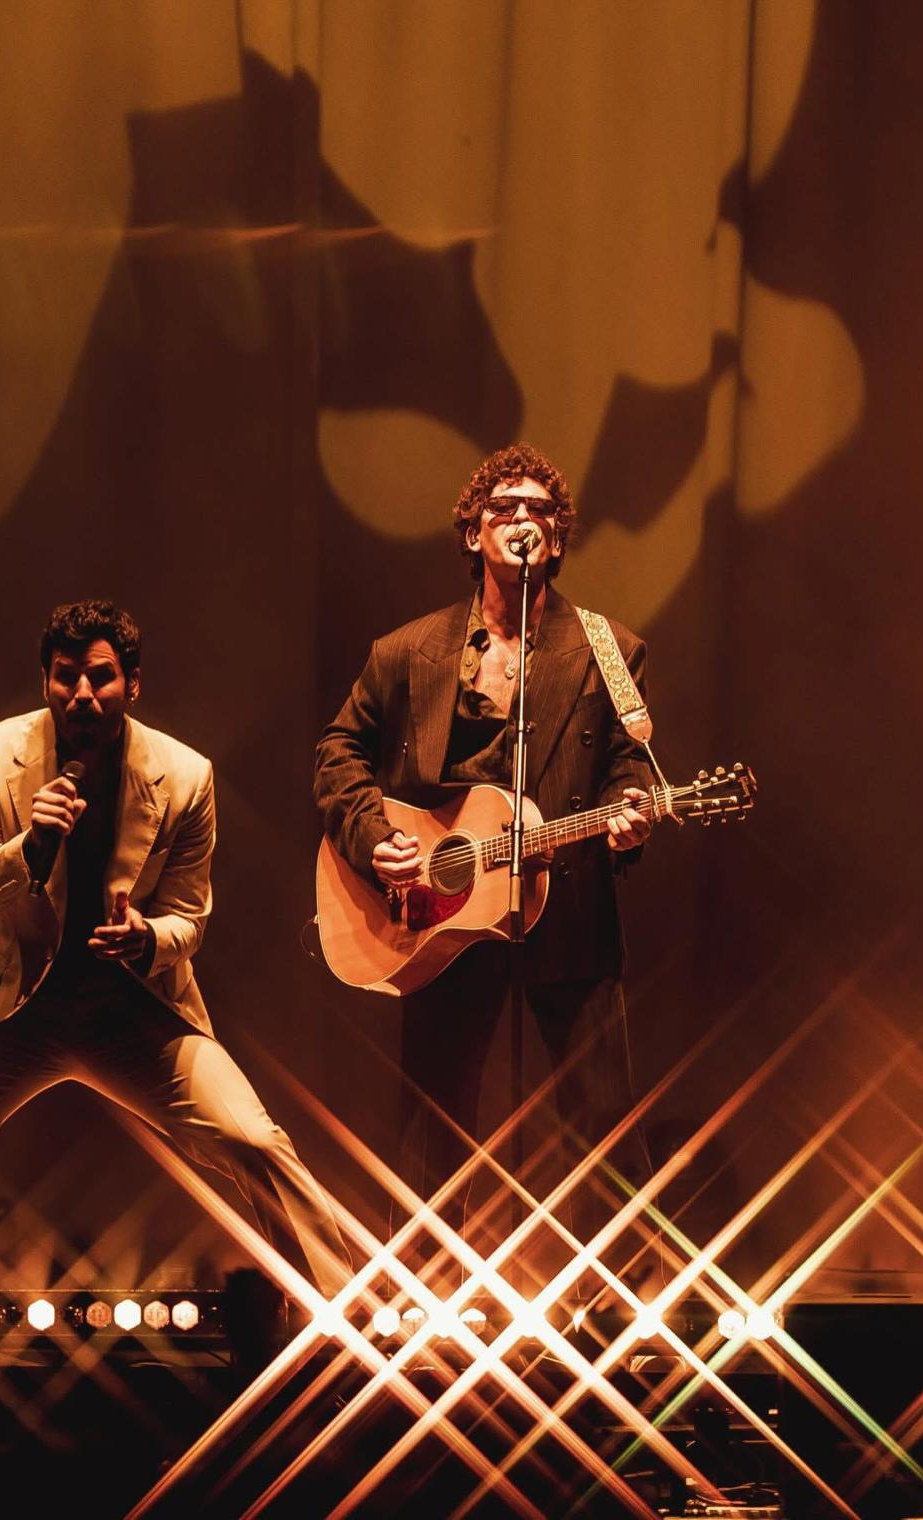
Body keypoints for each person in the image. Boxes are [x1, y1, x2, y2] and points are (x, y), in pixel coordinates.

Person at [0, 600, 349, 1300]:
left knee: (256, 1143)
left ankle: (343, 1321)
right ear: (46, 682)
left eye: (100, 677)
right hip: (11, 1008)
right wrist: (30, 846)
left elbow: (189, 918)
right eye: (66, 675)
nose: (82, 693)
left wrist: (146, 940)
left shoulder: (185, 775)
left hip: (133, 1012)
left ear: (132, 684)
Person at [314, 445, 654, 1279]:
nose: (523, 520)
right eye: (504, 508)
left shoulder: (610, 649)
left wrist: (633, 812)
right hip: (442, 913)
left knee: (601, 1119)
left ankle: (618, 1301)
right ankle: (422, 1297)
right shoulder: (408, 650)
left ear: (558, 538)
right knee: (431, 1127)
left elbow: (631, 766)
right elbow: (337, 752)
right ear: (473, 533)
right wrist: (374, 837)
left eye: (540, 510)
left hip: (566, 905)